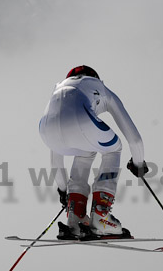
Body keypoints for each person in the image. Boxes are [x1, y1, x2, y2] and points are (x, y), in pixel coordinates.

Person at [39, 65, 148, 239]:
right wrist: (138, 164)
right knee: (113, 148)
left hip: (45, 130)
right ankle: (101, 217)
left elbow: (55, 162)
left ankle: (75, 219)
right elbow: (134, 140)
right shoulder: (101, 88)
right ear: (97, 78)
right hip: (82, 122)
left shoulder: (58, 89)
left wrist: (62, 191)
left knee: (86, 150)